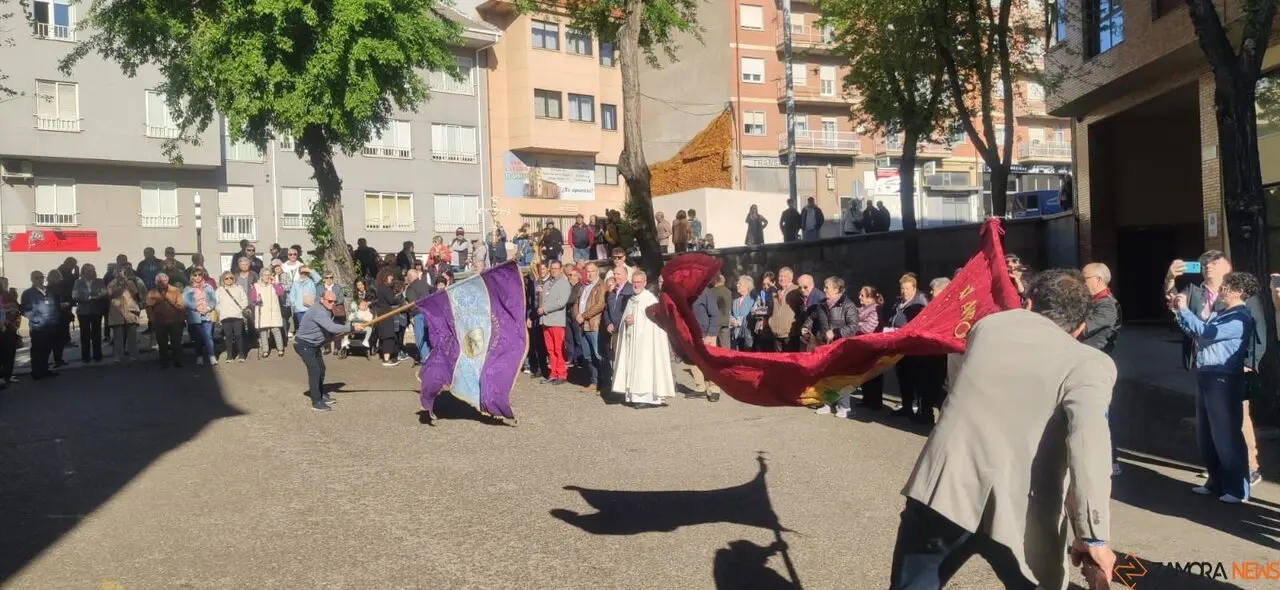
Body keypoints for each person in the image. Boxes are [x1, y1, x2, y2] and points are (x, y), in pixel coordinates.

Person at [891, 269, 1117, 590]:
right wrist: (1093, 535)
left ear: (1028, 304)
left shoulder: (987, 327)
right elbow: (1089, 446)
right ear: (1080, 327)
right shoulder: (1089, 364)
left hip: (946, 488)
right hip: (1022, 507)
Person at [1165, 251, 1267, 485]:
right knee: (1212, 423)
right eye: (1204, 263)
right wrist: (1170, 279)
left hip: (1232, 367)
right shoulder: (1195, 291)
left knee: (1237, 419)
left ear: (1227, 267)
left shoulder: (1242, 296)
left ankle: (1248, 468)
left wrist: (1250, 362)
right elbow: (1173, 304)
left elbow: (1258, 329)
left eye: (1214, 262)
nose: (1208, 266)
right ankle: (1219, 471)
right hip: (1206, 367)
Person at [1080, 262, 1123, 475]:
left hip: (1096, 363)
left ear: (1098, 280)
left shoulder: (1106, 305)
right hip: (1087, 361)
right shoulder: (1093, 301)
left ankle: (1110, 461)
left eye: (1084, 278)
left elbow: (1081, 330)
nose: (1081, 282)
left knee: (1100, 414)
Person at [612, 270, 676, 407]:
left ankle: (648, 398)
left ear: (645, 283)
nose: (636, 285)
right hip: (633, 342)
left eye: (639, 282)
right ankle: (635, 396)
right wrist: (627, 321)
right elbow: (626, 319)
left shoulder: (649, 300)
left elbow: (654, 324)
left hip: (647, 344)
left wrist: (635, 321)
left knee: (646, 368)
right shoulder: (631, 300)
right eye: (634, 282)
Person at [295, 289, 365, 411]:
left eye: (334, 301)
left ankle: (320, 393)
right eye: (329, 301)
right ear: (322, 299)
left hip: (315, 344)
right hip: (303, 344)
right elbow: (331, 327)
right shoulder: (318, 310)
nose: (332, 303)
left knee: (321, 368)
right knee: (315, 370)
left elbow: (326, 329)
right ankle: (316, 401)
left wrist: (339, 334)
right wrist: (351, 327)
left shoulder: (327, 310)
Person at [804, 277, 861, 417]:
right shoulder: (822, 304)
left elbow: (853, 327)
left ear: (837, 289)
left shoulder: (848, 305)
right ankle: (827, 403)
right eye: (824, 286)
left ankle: (844, 406)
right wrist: (806, 326)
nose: (824, 289)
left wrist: (836, 332)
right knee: (826, 376)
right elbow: (812, 317)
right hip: (824, 344)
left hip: (841, 346)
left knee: (840, 376)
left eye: (827, 287)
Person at [891, 273, 931, 423]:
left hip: (913, 347)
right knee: (902, 378)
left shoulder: (920, 302)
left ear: (914, 288)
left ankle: (918, 409)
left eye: (907, 289)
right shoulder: (898, 302)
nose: (904, 292)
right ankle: (906, 406)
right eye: (902, 288)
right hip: (899, 345)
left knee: (915, 379)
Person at [21, 271, 60, 380]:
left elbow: (56, 305)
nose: (39, 279)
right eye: (36, 277)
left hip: (51, 324)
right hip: (37, 326)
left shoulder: (50, 291)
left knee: (47, 349)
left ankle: (44, 369)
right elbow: (25, 309)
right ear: (32, 279)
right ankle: (36, 372)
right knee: (37, 350)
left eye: (41, 277)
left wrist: (55, 317)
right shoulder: (28, 293)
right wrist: (36, 319)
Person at [855, 286, 887, 409]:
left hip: (873, 347)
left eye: (862, 295)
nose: (859, 297)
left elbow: (868, 328)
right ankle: (867, 398)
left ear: (870, 298)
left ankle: (876, 402)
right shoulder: (861, 309)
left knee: (875, 375)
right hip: (862, 347)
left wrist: (856, 325)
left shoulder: (875, 310)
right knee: (864, 373)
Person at [688, 283, 722, 402]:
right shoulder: (685, 293)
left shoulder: (706, 292)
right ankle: (700, 388)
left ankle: (714, 389)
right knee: (694, 362)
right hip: (691, 334)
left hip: (706, 333)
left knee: (710, 363)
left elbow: (714, 314)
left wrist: (711, 334)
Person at [539, 260, 571, 384]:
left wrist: (545, 309)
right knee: (550, 350)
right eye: (552, 268)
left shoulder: (564, 283)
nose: (554, 270)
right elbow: (544, 300)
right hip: (546, 321)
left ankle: (561, 374)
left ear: (561, 269)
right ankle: (553, 373)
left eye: (556, 268)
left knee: (558, 349)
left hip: (557, 320)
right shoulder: (547, 283)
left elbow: (561, 302)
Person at [146, 272, 186, 368]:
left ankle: (178, 361)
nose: (162, 283)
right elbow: (148, 307)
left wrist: (181, 318)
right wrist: (151, 318)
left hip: (174, 320)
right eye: (160, 281)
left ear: (167, 281)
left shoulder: (175, 290)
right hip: (159, 321)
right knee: (162, 343)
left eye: (164, 280)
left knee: (176, 342)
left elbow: (181, 306)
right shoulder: (152, 292)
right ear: (156, 282)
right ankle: (164, 362)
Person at [72, 263, 109, 363]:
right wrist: (90, 297)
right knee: (85, 334)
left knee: (96, 333)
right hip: (83, 311)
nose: (90, 272)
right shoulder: (78, 282)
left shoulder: (99, 281)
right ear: (83, 271)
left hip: (96, 310)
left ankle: (98, 355)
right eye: (88, 270)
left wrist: (98, 295)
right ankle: (85, 356)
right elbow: (75, 295)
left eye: (92, 270)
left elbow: (104, 292)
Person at [578, 267, 607, 392]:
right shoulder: (585, 286)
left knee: (598, 355)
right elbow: (578, 302)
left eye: (591, 271)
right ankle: (594, 381)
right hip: (583, 325)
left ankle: (604, 383)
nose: (589, 274)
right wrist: (577, 315)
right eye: (587, 272)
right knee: (588, 355)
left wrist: (584, 315)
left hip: (594, 324)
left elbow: (600, 304)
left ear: (597, 272)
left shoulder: (601, 285)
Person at [182, 269, 218, 365]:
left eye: (200, 275)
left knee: (208, 336)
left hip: (207, 315)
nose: (198, 277)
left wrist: (208, 307)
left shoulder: (208, 287)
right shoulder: (188, 289)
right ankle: (199, 356)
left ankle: (211, 356)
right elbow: (185, 301)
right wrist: (196, 307)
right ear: (192, 276)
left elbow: (213, 299)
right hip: (195, 316)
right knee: (197, 338)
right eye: (195, 275)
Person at [106, 269, 142, 363]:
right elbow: (110, 293)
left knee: (132, 335)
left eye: (122, 274)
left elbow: (134, 292)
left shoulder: (130, 282)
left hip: (130, 310)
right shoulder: (111, 283)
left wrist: (126, 283)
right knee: (118, 336)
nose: (120, 277)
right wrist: (117, 284)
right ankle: (118, 356)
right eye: (118, 274)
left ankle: (133, 355)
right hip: (117, 311)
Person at [252, 270, 286, 358]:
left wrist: (275, 283)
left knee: (276, 330)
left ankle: (280, 349)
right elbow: (253, 298)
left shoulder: (273, 285)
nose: (267, 277)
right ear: (261, 276)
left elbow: (280, 293)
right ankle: (265, 350)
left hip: (273, 311)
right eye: (265, 275)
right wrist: (257, 300)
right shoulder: (256, 286)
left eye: (269, 275)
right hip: (262, 311)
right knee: (263, 332)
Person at [404, 269, 434, 364]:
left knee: (420, 336)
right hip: (429, 312)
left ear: (409, 277)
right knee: (428, 334)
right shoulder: (425, 284)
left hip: (418, 313)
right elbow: (434, 291)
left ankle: (425, 357)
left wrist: (411, 316)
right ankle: (430, 354)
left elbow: (412, 303)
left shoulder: (410, 288)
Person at [46, 269, 71, 367]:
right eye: (55, 277)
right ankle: (53, 359)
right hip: (54, 316)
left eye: (58, 277)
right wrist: (61, 305)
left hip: (62, 316)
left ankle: (58, 359)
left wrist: (66, 304)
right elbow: (51, 303)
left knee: (60, 340)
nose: (57, 279)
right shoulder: (48, 289)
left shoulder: (60, 287)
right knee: (53, 340)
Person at [730, 275, 756, 351]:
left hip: (748, 335)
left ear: (747, 286)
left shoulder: (753, 299)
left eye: (740, 284)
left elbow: (754, 314)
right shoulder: (735, 301)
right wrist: (732, 320)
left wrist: (740, 321)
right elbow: (730, 314)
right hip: (736, 334)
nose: (737, 285)